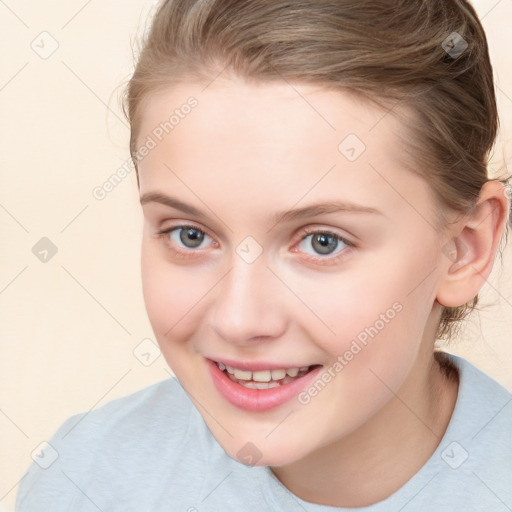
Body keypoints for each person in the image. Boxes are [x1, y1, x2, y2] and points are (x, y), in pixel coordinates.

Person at [16, 0, 511, 510]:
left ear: (463, 248)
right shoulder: (81, 482)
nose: (238, 320)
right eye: (189, 235)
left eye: (323, 242)